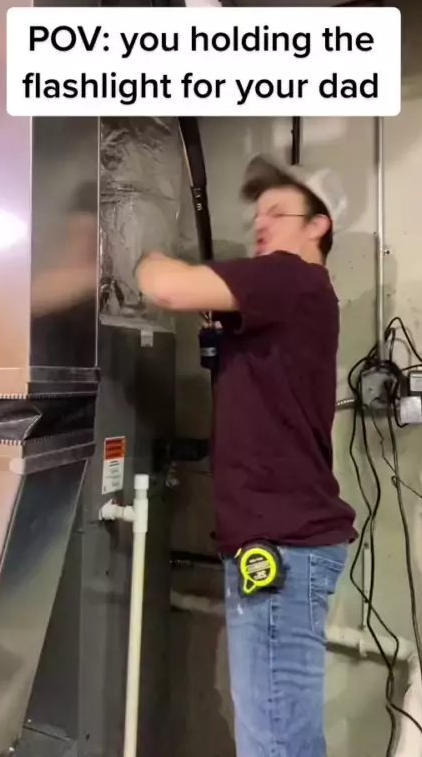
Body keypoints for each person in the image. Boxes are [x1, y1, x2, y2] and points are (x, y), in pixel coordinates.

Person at [135, 154, 357, 757]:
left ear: (319, 226)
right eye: (257, 213)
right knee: (275, 738)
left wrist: (139, 253)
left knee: (275, 744)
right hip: (277, 546)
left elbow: (166, 286)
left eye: (278, 212)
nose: (261, 223)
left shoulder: (290, 277)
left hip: (281, 547)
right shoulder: (294, 299)